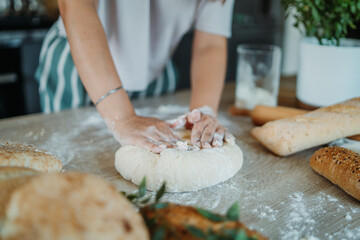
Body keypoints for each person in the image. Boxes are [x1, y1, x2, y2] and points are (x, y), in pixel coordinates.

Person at [35, 0, 235, 153]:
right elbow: (76, 6)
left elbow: (210, 42)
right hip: (80, 63)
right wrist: (121, 118)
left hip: (156, 70)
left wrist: (203, 112)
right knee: (70, 155)